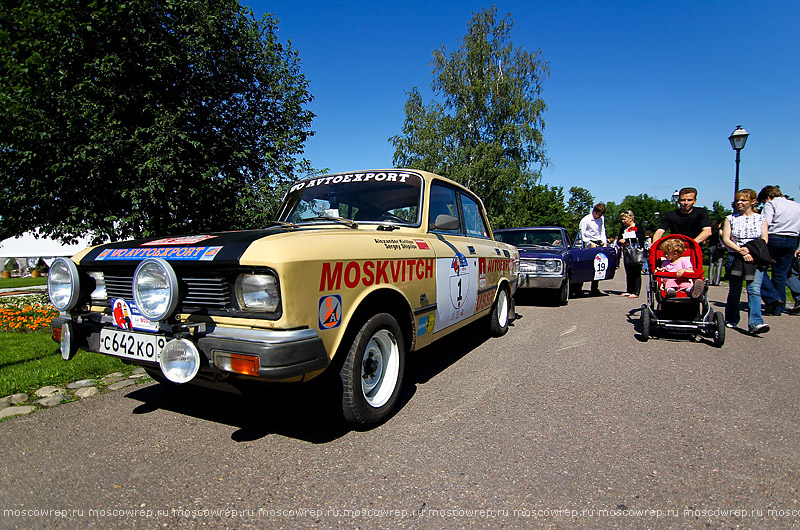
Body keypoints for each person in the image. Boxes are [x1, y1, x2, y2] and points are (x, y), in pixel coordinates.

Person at [722, 188, 770, 334]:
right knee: (735, 290)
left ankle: (756, 322)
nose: (739, 203)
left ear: (753, 202)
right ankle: (731, 319)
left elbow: (764, 239)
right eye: (737, 200)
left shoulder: (761, 219)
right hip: (735, 256)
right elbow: (726, 239)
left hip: (755, 257)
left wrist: (749, 250)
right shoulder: (730, 218)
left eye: (743, 200)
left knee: (754, 289)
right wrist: (740, 250)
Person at [757, 185, 800, 316]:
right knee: (781, 274)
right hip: (792, 239)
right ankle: (778, 307)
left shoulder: (770, 205)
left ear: (768, 197)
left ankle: (772, 298)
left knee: (759, 268)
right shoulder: (796, 205)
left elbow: (766, 223)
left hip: (774, 237)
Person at [579, 203, 607, 295]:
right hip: (588, 243)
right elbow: (582, 235)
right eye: (598, 215)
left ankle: (595, 288)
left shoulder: (601, 219)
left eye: (601, 215)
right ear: (594, 212)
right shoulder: (585, 220)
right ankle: (578, 288)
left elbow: (602, 231)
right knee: (585, 265)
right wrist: (589, 243)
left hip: (598, 242)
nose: (599, 217)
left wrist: (604, 241)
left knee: (598, 265)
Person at [617, 210, 646, 298]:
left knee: (636, 272)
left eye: (625, 219)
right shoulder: (623, 229)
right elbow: (619, 239)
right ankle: (629, 290)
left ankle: (636, 291)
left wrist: (630, 240)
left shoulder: (638, 227)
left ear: (631, 218)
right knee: (628, 272)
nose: (623, 221)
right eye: (622, 219)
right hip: (627, 252)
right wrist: (620, 241)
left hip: (636, 252)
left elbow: (641, 239)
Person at [707, 219, 725, 286]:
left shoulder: (710, 231)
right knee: (719, 264)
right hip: (719, 248)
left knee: (711, 264)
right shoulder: (720, 231)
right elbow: (724, 238)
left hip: (711, 247)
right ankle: (717, 281)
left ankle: (710, 280)